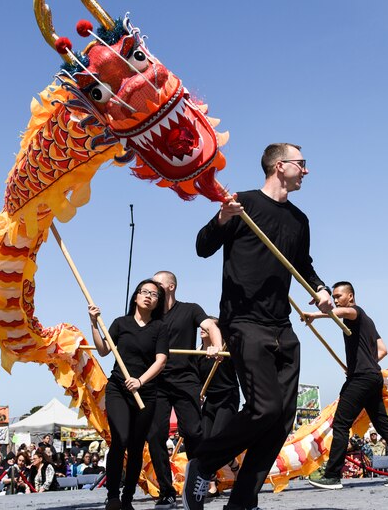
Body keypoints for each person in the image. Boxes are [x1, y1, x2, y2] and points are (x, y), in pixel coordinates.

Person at [184, 143, 332, 510]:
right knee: (264, 408)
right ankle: (203, 462)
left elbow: (304, 266)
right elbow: (203, 247)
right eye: (302, 164)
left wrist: (322, 291)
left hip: (281, 324)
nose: (307, 171)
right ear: (280, 166)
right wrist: (222, 218)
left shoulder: (300, 220)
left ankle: (243, 501)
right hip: (244, 320)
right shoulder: (242, 203)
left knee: (281, 419)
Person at [306, 281, 388, 489]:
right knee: (384, 427)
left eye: (339, 296)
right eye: (335, 296)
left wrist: (314, 316)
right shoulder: (369, 321)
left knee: (340, 424)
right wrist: (365, 362)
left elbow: (341, 312)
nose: (336, 299)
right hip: (372, 376)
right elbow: (383, 349)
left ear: (351, 297)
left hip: (362, 378)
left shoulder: (355, 312)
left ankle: (332, 476)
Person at [88, 277, 169, 510]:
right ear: (136, 296)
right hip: (118, 389)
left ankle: (127, 498)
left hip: (146, 393)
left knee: (136, 446)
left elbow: (161, 360)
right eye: (145, 292)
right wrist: (93, 323)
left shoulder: (159, 327)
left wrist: (140, 381)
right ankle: (113, 495)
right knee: (120, 439)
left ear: (158, 302)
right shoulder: (120, 323)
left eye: (154, 294)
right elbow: (103, 350)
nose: (149, 296)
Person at [148, 270, 222, 510]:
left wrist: (216, 346)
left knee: (193, 432)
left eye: (157, 284)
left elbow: (210, 324)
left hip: (185, 380)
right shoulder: (150, 315)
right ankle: (167, 491)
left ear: (170, 286)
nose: (152, 289)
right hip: (156, 382)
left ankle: (198, 483)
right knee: (155, 434)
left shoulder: (190, 309)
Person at [197, 317, 240, 498]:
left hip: (228, 397)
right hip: (210, 399)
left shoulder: (226, 349)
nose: (203, 329)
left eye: (209, 328)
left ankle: (217, 478)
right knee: (205, 441)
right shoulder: (196, 351)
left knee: (216, 438)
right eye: (203, 327)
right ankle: (215, 481)